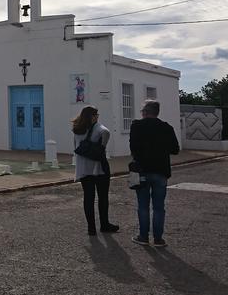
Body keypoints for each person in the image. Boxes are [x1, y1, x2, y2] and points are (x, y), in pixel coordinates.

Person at [130, 100, 180, 247]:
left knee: (143, 206)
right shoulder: (166, 128)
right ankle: (158, 239)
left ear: (145, 112)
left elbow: (133, 148)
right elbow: (175, 149)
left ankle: (143, 236)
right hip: (161, 171)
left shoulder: (136, 126)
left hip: (142, 170)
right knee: (159, 207)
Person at [72, 106, 119, 235]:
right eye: (96, 114)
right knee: (103, 197)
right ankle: (104, 224)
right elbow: (106, 134)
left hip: (83, 169)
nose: (98, 116)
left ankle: (91, 228)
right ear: (93, 116)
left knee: (88, 198)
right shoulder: (99, 129)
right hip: (99, 168)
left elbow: (75, 147)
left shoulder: (77, 130)